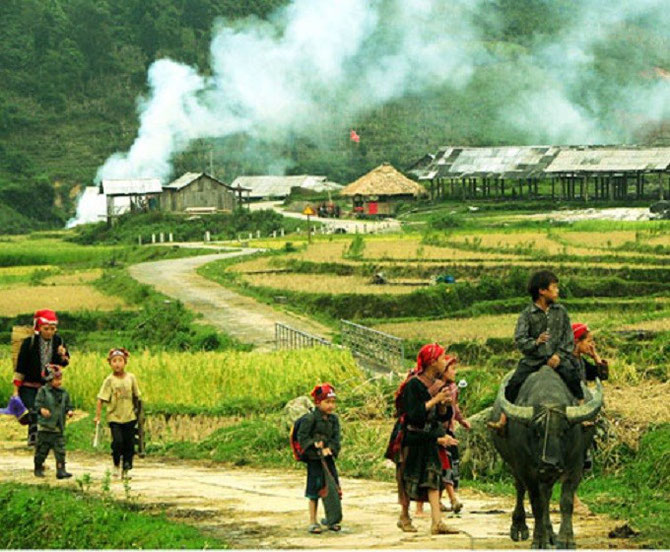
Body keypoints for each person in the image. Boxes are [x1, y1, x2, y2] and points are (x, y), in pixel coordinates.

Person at [488, 270, 583, 431]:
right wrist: (535, 343)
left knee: (574, 378)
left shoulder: (561, 312)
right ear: (542, 291)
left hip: (557, 359)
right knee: (514, 383)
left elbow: (568, 338)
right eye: (554, 287)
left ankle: (582, 413)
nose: (557, 290)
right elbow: (520, 339)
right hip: (534, 359)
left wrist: (558, 356)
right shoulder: (527, 315)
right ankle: (503, 420)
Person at [387, 343, 458, 535]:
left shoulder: (439, 385)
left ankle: (437, 522)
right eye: (442, 358)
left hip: (429, 437)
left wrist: (444, 406)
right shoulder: (414, 385)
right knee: (408, 477)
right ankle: (404, 516)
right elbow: (414, 414)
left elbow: (441, 417)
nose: (445, 362)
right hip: (412, 436)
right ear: (432, 362)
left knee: (432, 476)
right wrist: (435, 400)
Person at [415, 356, 469, 517]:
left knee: (444, 467)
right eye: (451, 368)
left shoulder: (451, 387)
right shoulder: (432, 386)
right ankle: (423, 508)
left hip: (445, 430)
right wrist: (437, 401)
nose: (455, 372)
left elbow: (453, 407)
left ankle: (439, 503)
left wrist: (460, 420)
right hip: (430, 432)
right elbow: (422, 408)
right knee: (432, 468)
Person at [13, 309, 70, 447]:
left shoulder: (58, 341)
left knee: (48, 413)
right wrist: (16, 391)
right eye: (46, 329)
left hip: (47, 386)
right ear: (39, 328)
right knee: (34, 410)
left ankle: (45, 439)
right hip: (29, 385)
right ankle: (34, 439)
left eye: (52, 329)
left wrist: (63, 355)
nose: (49, 332)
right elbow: (20, 368)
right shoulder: (29, 343)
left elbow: (64, 363)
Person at [297, 382, 341, 534]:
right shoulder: (309, 419)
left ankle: (331, 519)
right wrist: (314, 445)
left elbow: (336, 439)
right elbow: (302, 438)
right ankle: (313, 521)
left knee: (333, 489)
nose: (331, 406)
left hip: (328, 460)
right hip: (314, 461)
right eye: (327, 402)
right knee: (314, 491)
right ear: (318, 402)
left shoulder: (334, 420)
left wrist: (332, 449)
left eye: (333, 402)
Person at [94, 348, 141, 479]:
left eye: (120, 360)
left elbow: (137, 396)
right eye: (114, 361)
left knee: (129, 444)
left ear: (125, 362)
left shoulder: (131, 378)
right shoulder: (109, 380)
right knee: (118, 442)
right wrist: (97, 416)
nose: (117, 364)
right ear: (110, 363)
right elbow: (101, 399)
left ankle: (126, 468)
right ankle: (115, 464)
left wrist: (139, 415)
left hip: (129, 417)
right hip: (114, 417)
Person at [34, 366, 74, 479]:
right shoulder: (43, 391)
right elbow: (37, 405)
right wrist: (42, 410)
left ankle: (61, 470)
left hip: (58, 427)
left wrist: (70, 411)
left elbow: (68, 405)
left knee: (60, 450)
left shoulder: (64, 393)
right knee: (42, 449)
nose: (59, 382)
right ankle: (38, 467)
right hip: (45, 427)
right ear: (49, 380)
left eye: (60, 379)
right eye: (56, 379)